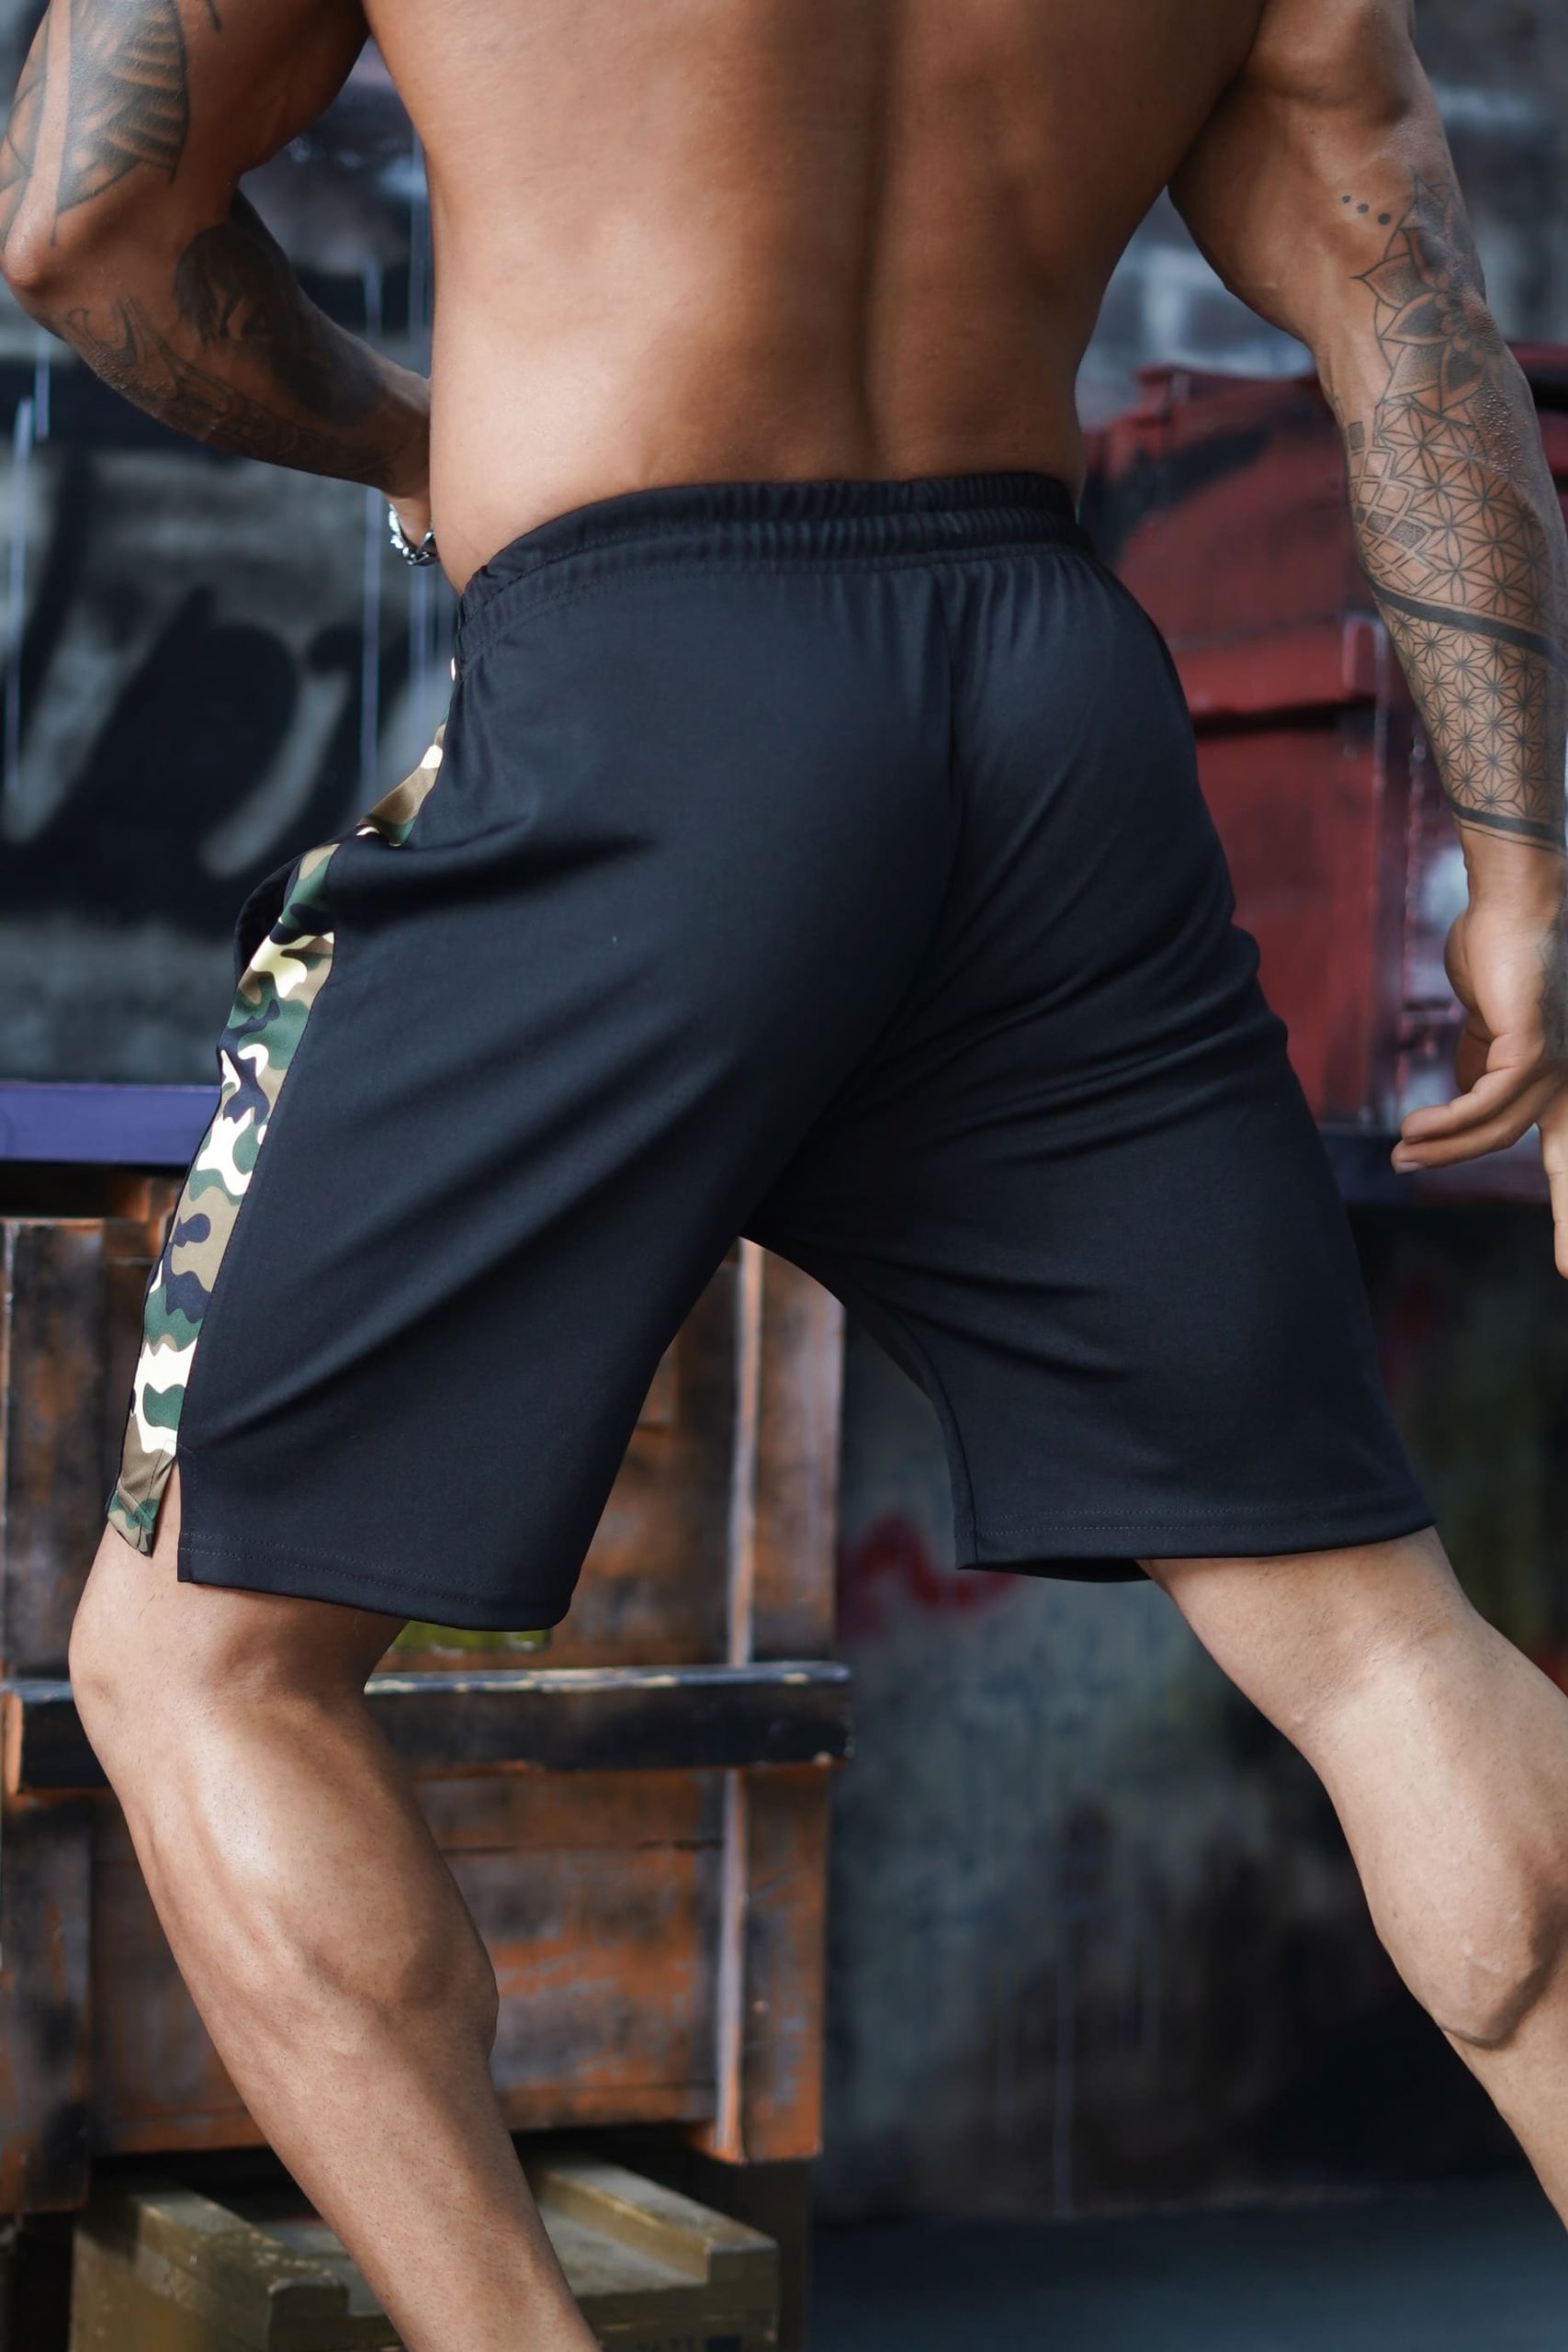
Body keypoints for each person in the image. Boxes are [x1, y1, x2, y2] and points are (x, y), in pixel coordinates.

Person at [3, 0, 1565, 2343]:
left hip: (648, 686)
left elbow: (81, 218)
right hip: (1045, 720)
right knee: (1374, 1641)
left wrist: (412, 431)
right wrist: (1522, 866)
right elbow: (1398, 295)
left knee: (197, 1664)